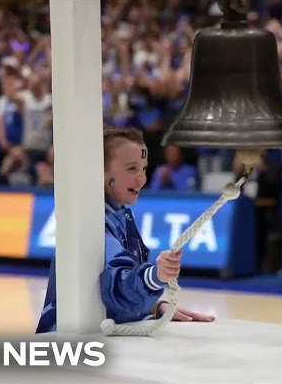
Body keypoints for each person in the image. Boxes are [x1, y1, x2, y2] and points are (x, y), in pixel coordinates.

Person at [36, 127, 214, 333]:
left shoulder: (119, 215)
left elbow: (110, 298)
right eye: (132, 169)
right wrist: (155, 277)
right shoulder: (93, 221)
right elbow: (117, 286)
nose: (142, 179)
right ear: (99, 170)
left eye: (144, 169)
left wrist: (154, 306)